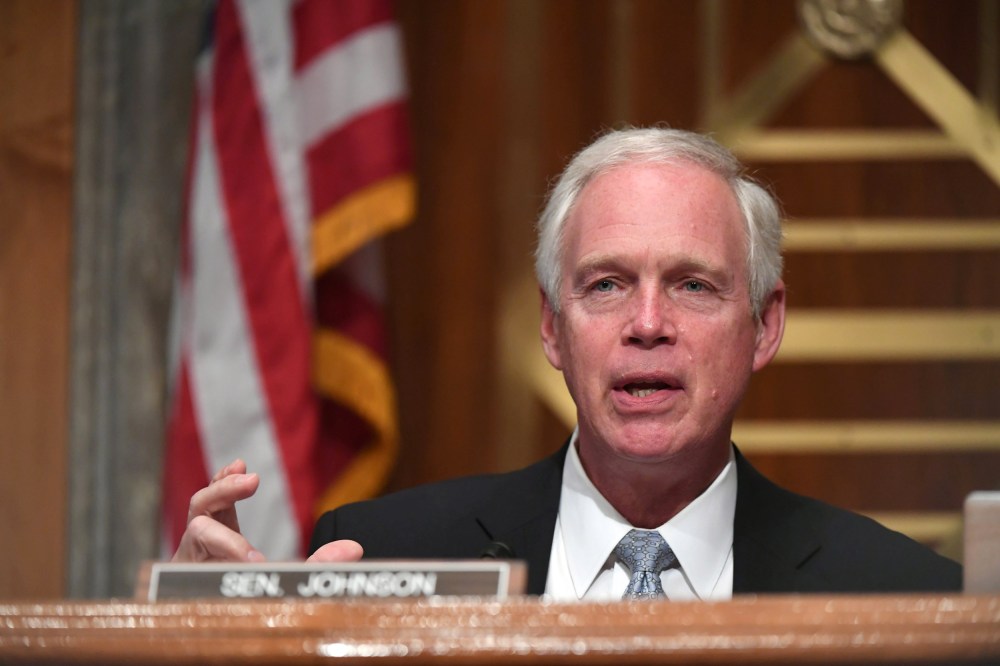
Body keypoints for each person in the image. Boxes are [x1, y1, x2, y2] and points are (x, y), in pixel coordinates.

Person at [173, 127, 961, 599]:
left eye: (693, 285)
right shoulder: (380, 558)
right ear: (552, 327)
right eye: (606, 285)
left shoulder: (906, 596)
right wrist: (197, 651)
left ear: (764, 325)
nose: (647, 325)